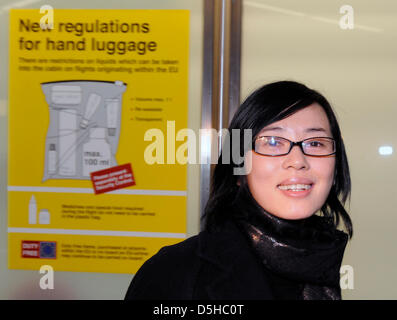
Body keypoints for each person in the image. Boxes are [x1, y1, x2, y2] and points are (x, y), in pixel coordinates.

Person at [125, 80, 353, 300]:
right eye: (273, 142)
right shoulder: (174, 271)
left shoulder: (321, 262)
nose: (297, 160)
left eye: (315, 143)